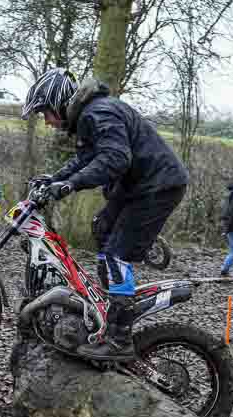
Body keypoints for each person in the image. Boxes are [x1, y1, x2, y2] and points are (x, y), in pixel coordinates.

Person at [21, 68, 189, 360]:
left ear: (58, 101)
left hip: (157, 186)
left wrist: (69, 185)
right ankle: (110, 304)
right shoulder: (91, 116)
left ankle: (119, 338)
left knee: (116, 255)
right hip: (138, 187)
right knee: (101, 227)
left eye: (45, 113)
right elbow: (87, 159)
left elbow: (115, 159)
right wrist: (54, 179)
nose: (46, 122)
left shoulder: (98, 113)